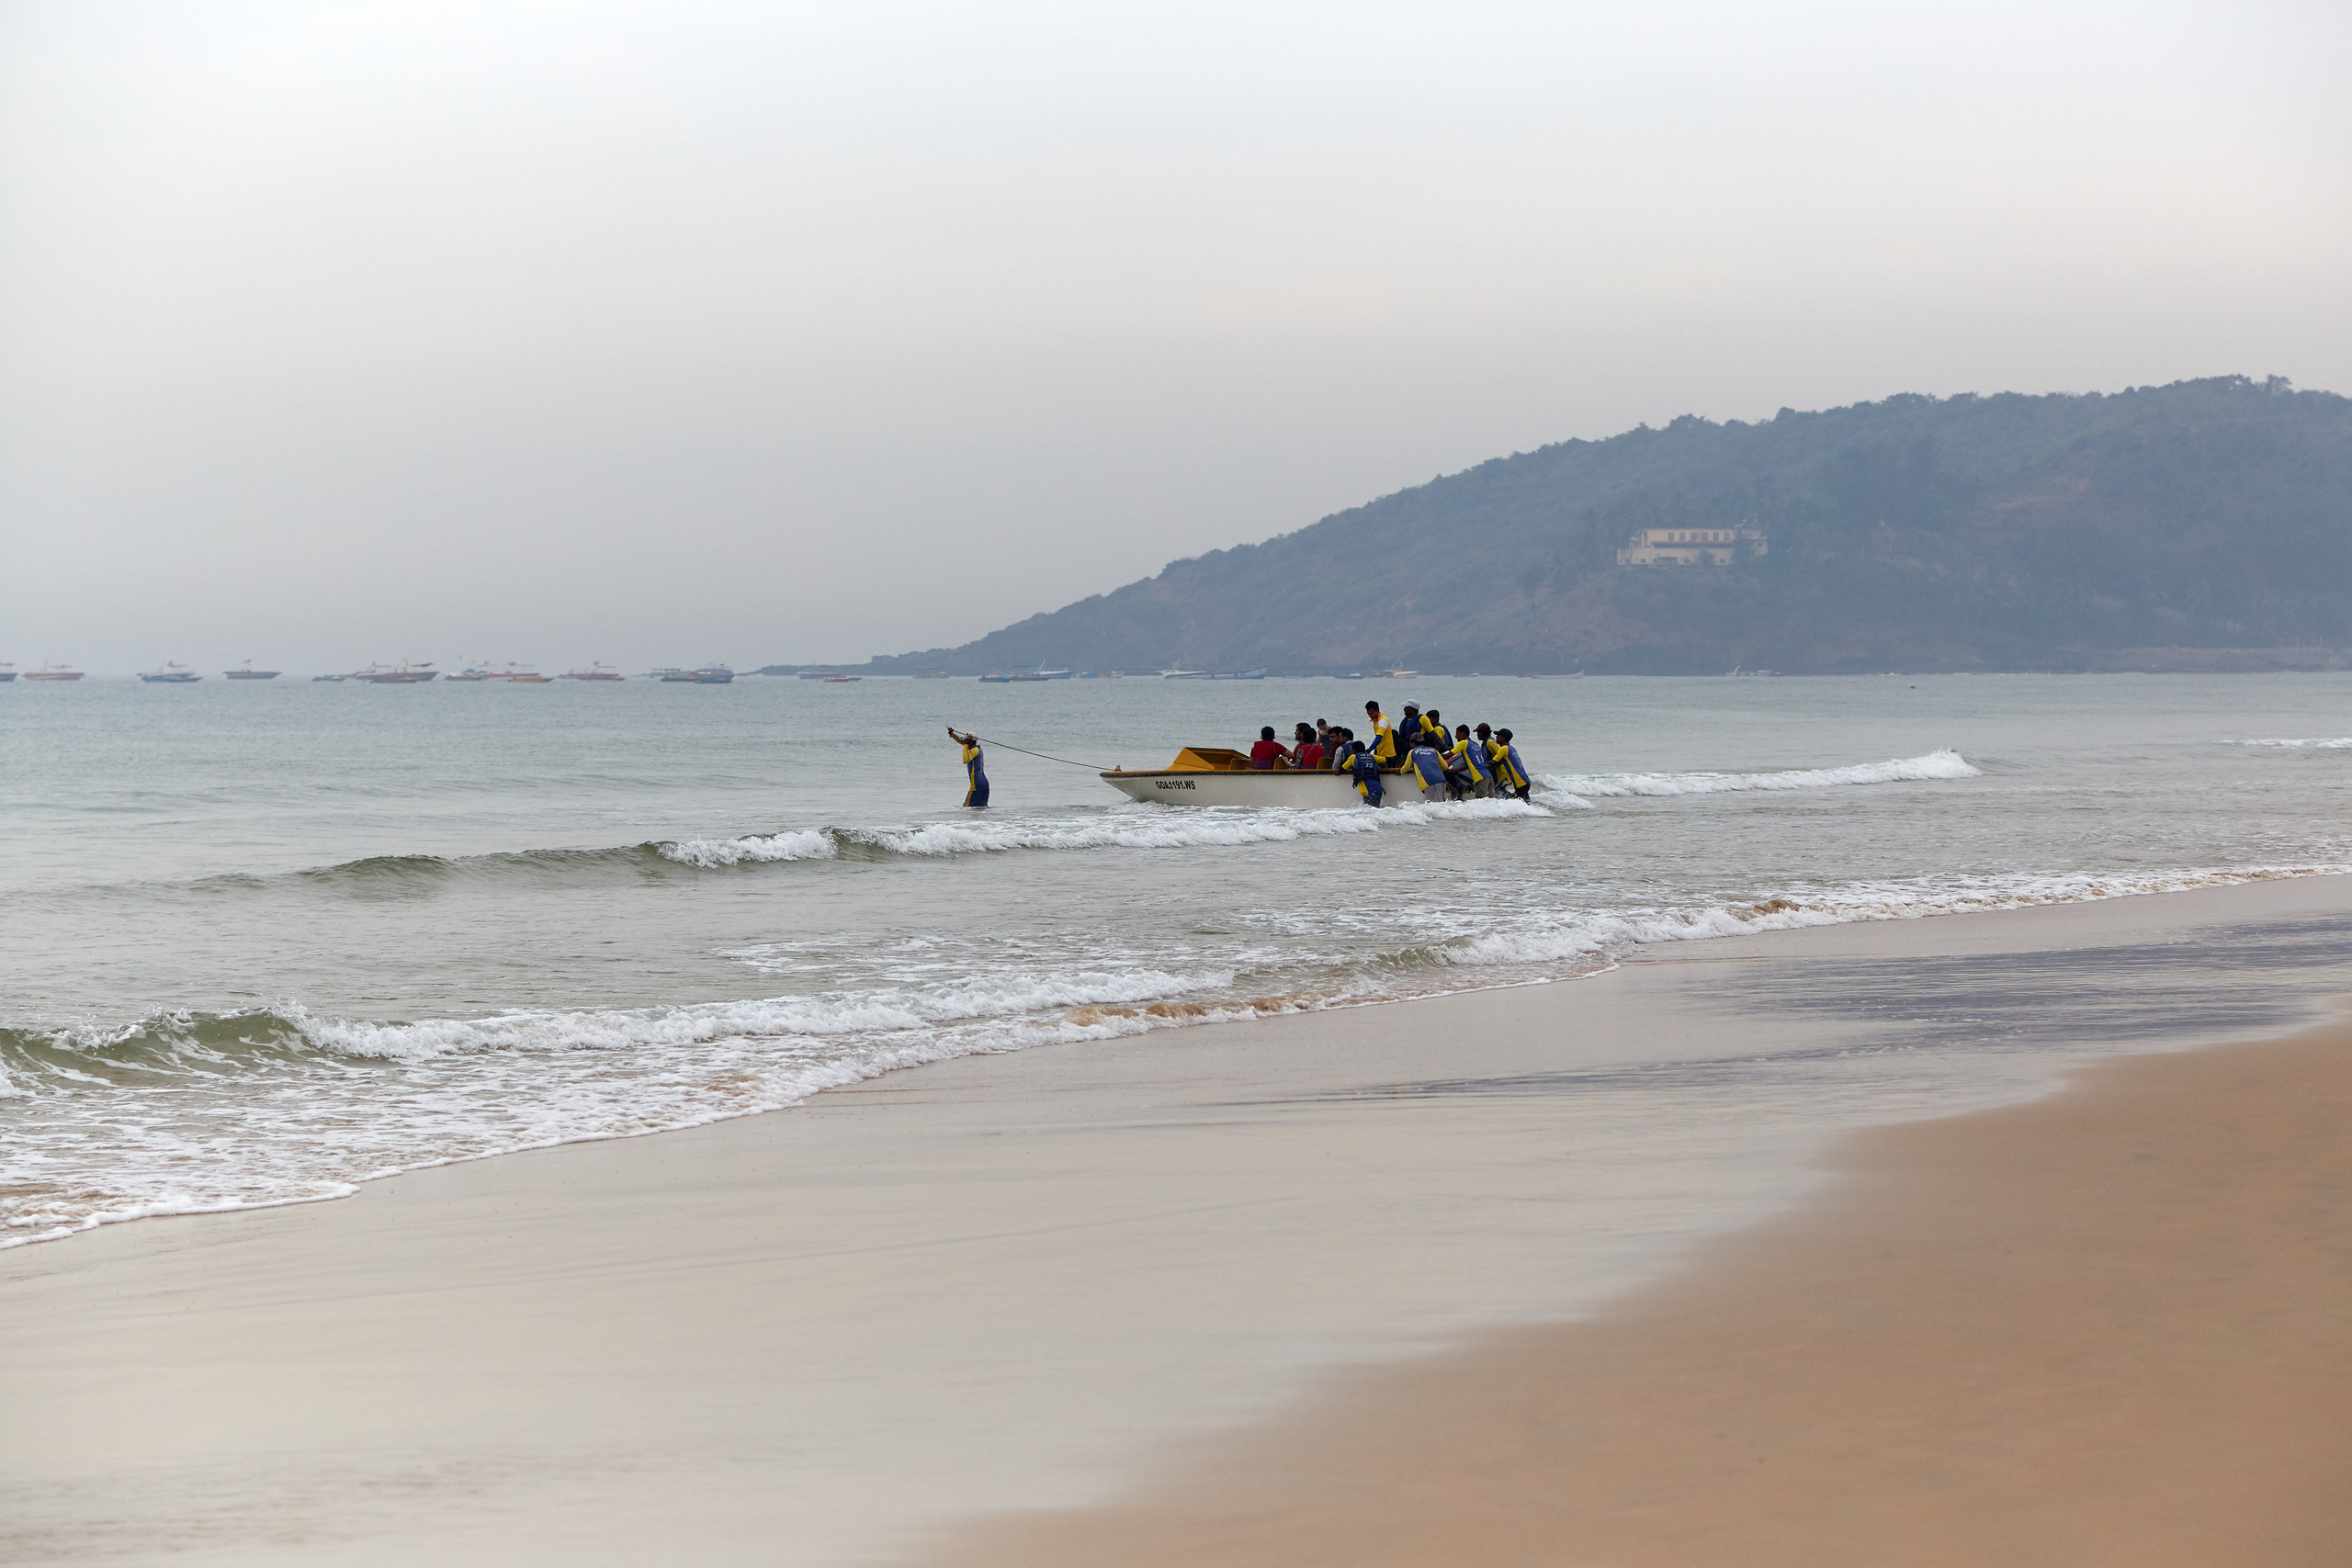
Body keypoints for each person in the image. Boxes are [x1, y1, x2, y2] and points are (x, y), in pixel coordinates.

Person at [948, 727, 989, 807]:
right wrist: (952, 734)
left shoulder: (974, 750)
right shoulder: (976, 749)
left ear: (971, 741)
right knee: (981, 808)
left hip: (976, 784)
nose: (964, 742)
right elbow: (961, 741)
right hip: (984, 783)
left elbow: (965, 760)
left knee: (968, 807)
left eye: (966, 740)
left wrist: (965, 746)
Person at [1406, 732, 1450, 799]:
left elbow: (1406, 768)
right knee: (1441, 804)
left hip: (1429, 782)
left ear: (1413, 743)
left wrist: (1399, 771)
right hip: (1441, 779)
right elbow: (1445, 766)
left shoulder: (1412, 752)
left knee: (1432, 806)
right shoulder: (1433, 750)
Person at [1494, 727, 1532, 801]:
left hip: (1520, 782)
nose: (1496, 737)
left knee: (1524, 804)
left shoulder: (1504, 748)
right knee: (1524, 802)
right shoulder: (1511, 748)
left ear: (1502, 738)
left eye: (1498, 735)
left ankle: (1537, 812)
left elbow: (1493, 762)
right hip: (1525, 780)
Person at [1363, 701, 1396, 767]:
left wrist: (1368, 750)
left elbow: (1378, 738)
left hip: (1388, 755)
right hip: (1380, 754)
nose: (1370, 716)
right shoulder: (1376, 721)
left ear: (1377, 711)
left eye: (1372, 713)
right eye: (1368, 713)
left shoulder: (1382, 721)